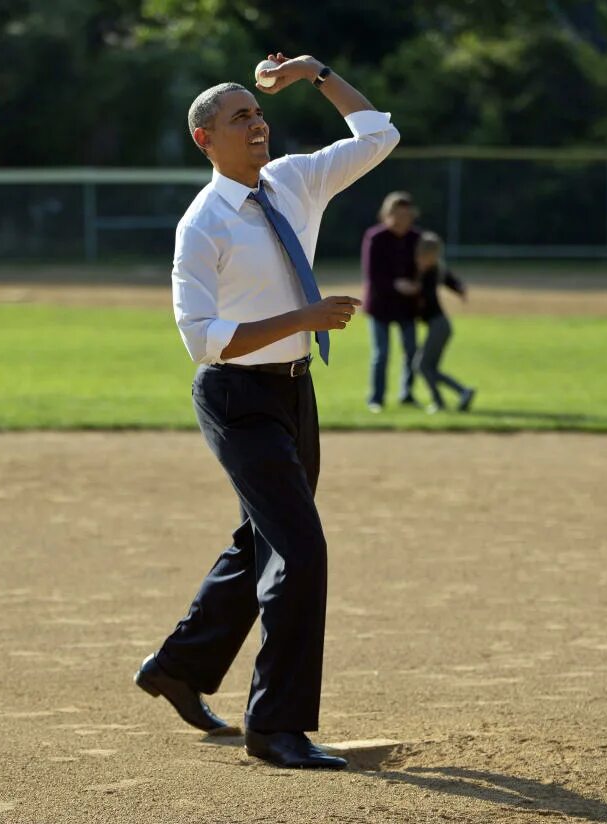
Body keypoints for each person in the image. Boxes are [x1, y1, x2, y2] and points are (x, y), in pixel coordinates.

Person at [134, 52, 398, 771]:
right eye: (239, 117)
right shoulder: (202, 226)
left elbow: (378, 137)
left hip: (291, 390)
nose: (257, 123)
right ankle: (275, 729)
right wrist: (302, 315)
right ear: (205, 140)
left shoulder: (294, 180)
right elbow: (203, 341)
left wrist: (319, 74)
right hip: (236, 399)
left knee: (262, 541)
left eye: (258, 111)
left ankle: (181, 667)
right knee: (300, 552)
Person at [361, 191, 422, 413]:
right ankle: (376, 398)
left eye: (407, 215)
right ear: (387, 214)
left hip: (407, 307)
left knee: (412, 352)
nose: (402, 220)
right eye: (398, 214)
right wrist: (397, 285)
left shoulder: (417, 239)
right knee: (381, 354)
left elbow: (425, 269)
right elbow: (372, 275)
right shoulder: (375, 237)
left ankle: (407, 395)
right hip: (380, 306)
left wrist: (418, 285)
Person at [413, 232, 475, 413]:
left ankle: (440, 402)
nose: (427, 260)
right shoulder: (427, 271)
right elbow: (450, 279)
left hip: (439, 325)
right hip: (438, 325)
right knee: (429, 368)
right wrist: (459, 289)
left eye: (431, 257)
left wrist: (412, 290)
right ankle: (463, 392)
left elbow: (429, 292)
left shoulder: (430, 274)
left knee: (422, 366)